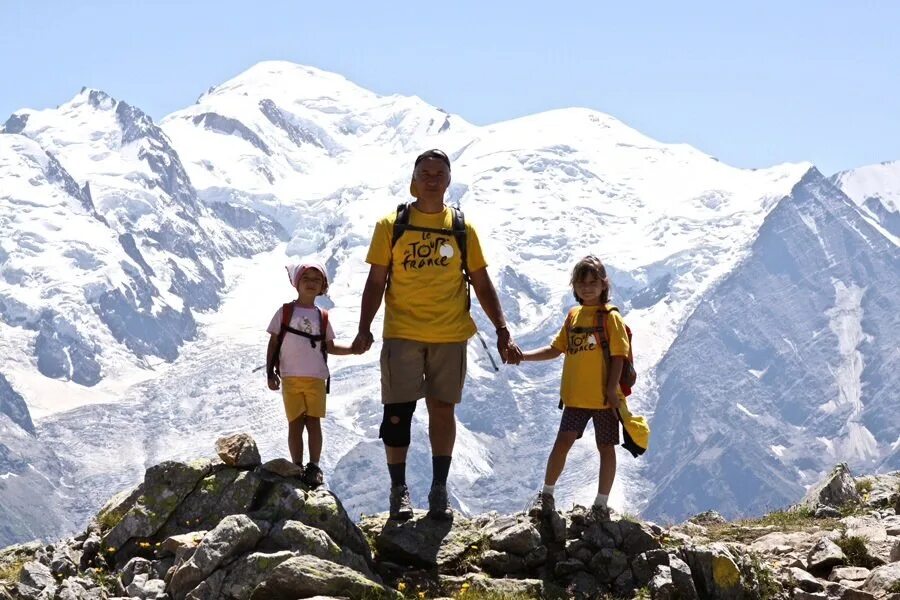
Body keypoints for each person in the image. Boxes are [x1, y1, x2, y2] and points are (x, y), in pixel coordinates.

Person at [352, 149, 522, 520]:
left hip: (449, 334)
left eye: (438, 173)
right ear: (413, 179)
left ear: (448, 180)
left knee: (442, 410)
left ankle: (439, 489)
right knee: (397, 412)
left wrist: (502, 329)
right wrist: (364, 327)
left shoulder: (462, 229)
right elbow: (376, 280)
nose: (431, 179)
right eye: (424, 172)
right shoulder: (390, 225)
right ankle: (399, 490)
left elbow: (480, 280)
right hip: (402, 332)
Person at [517, 255, 629, 521]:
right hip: (576, 397)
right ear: (574, 287)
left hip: (603, 399)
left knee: (606, 447)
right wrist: (523, 356)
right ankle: (547, 495)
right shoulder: (574, 316)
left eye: (593, 282)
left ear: (604, 285)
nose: (587, 287)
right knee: (562, 443)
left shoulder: (611, 318)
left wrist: (612, 389)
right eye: (582, 282)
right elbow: (556, 349)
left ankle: (601, 505)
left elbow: (619, 355)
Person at [266, 263, 355, 488]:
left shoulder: (322, 316)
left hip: (316, 377)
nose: (311, 282)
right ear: (297, 282)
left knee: (313, 422)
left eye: (317, 279)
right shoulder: (285, 312)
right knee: (295, 423)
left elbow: (330, 347)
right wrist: (270, 373)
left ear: (323, 286)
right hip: (289, 376)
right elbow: (273, 342)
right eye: (307, 277)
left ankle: (313, 466)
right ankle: (297, 466)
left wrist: (353, 349)